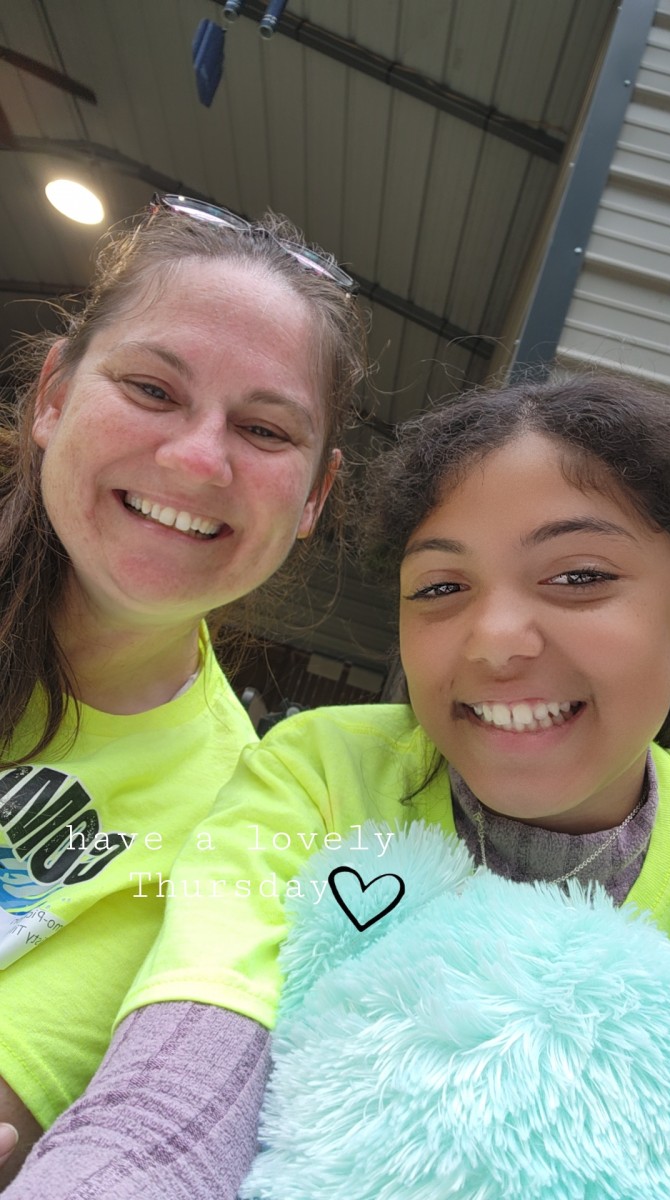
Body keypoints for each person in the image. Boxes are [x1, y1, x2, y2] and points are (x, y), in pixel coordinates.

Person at [6, 372, 670, 1197]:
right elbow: (189, 1063)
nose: (495, 641)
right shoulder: (320, 772)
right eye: (440, 588)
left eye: (577, 576)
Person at [0, 192, 366, 1184]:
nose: (198, 458)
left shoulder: (239, 817)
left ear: (313, 498)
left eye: (264, 429)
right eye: (154, 389)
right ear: (52, 396)